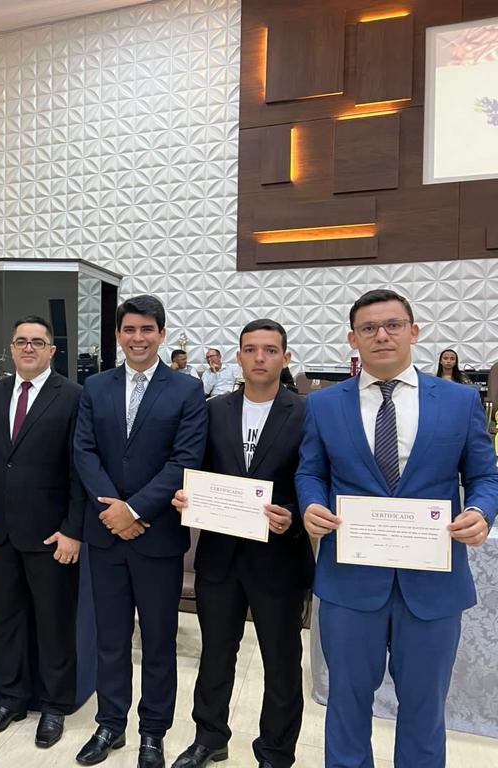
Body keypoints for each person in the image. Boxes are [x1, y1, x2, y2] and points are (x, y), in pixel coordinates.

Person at [297, 289, 498, 768]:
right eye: (368, 328)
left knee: (425, 710)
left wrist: (481, 511)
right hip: (349, 582)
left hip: (432, 584)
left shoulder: (459, 401)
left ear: (413, 331)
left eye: (392, 325)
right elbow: (311, 471)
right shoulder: (324, 405)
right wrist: (311, 504)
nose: (381, 335)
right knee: (346, 705)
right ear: (353, 339)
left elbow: (485, 476)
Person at [170, 319, 312, 768]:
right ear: (239, 357)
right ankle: (209, 737)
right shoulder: (214, 410)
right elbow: (195, 468)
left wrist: (293, 515)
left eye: (270, 350)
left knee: (281, 661)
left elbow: (316, 476)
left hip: (279, 557)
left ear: (285, 357)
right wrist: (185, 495)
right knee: (215, 654)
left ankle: (275, 752)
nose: (260, 358)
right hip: (220, 557)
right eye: (251, 349)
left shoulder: (306, 412)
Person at [73, 295, 207, 768]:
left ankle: (153, 732)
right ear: (117, 335)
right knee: (110, 639)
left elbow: (185, 459)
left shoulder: (187, 390)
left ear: (161, 334)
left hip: (158, 537)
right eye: (129, 329)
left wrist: (133, 510)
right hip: (105, 533)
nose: (138, 338)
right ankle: (110, 725)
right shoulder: (95, 386)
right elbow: (84, 452)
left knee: (157, 641)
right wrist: (114, 510)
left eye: (147, 329)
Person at [0, 315, 84, 748]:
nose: (29, 348)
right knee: (6, 620)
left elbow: (80, 469)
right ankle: (11, 699)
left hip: (51, 535)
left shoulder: (73, 396)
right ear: (11, 348)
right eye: (21, 341)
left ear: (52, 350)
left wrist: (73, 529)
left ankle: (55, 706)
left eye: (37, 341)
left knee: (54, 625)